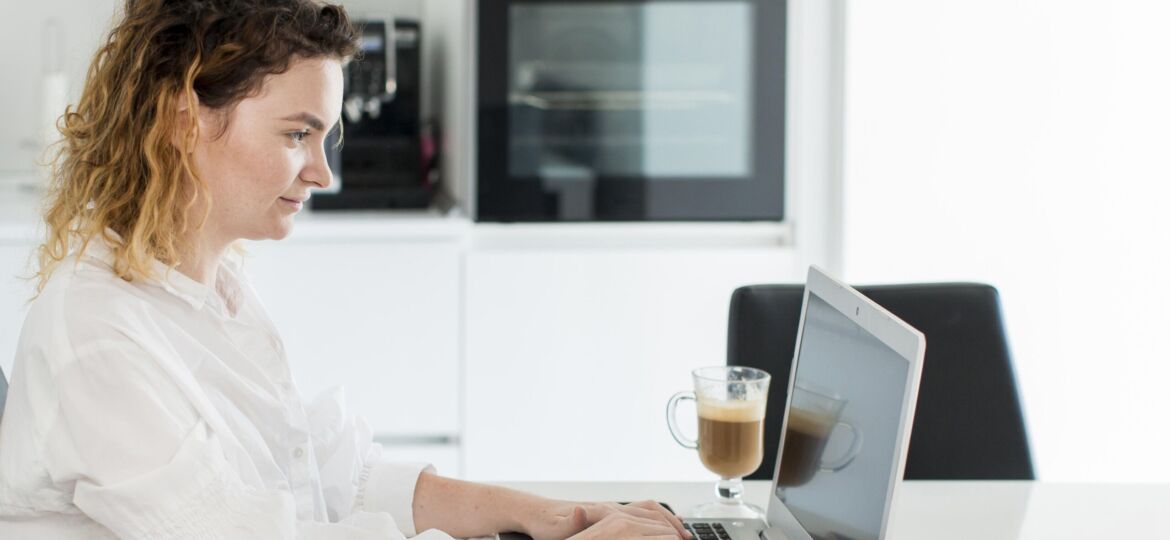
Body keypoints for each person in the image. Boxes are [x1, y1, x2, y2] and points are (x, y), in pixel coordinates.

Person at [0, 1, 692, 539]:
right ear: (186, 120)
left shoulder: (217, 296)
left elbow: (344, 479)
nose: (324, 172)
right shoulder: (98, 336)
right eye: (297, 134)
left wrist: (557, 517)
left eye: (324, 137)